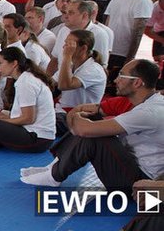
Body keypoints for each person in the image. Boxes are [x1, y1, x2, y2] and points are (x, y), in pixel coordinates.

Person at [20, 59, 164, 198]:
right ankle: (55, 166)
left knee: (93, 137)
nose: (115, 80)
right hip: (131, 166)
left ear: (137, 83)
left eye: (121, 75)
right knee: (92, 120)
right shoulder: (147, 103)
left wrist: (76, 117)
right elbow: (90, 114)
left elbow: (84, 129)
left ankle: (54, 176)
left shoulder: (149, 112)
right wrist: (80, 116)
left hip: (140, 182)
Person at [0, 47, 56, 152]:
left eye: (0, 63)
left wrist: (4, 120)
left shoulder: (26, 82)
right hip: (37, 134)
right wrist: (7, 116)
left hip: (38, 138)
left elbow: (29, 118)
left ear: (14, 63)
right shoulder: (25, 78)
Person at [54, 29, 107, 136]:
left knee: (35, 123)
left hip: (77, 116)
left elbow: (64, 85)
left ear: (83, 48)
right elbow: (49, 83)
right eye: (65, 44)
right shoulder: (72, 65)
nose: (65, 48)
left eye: (70, 45)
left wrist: (67, 56)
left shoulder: (93, 69)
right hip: (60, 111)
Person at [104, 0, 153, 78]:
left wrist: (129, 59)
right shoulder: (115, 1)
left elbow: (138, 33)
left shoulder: (142, 1)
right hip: (108, 51)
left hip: (123, 54)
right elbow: (106, 27)